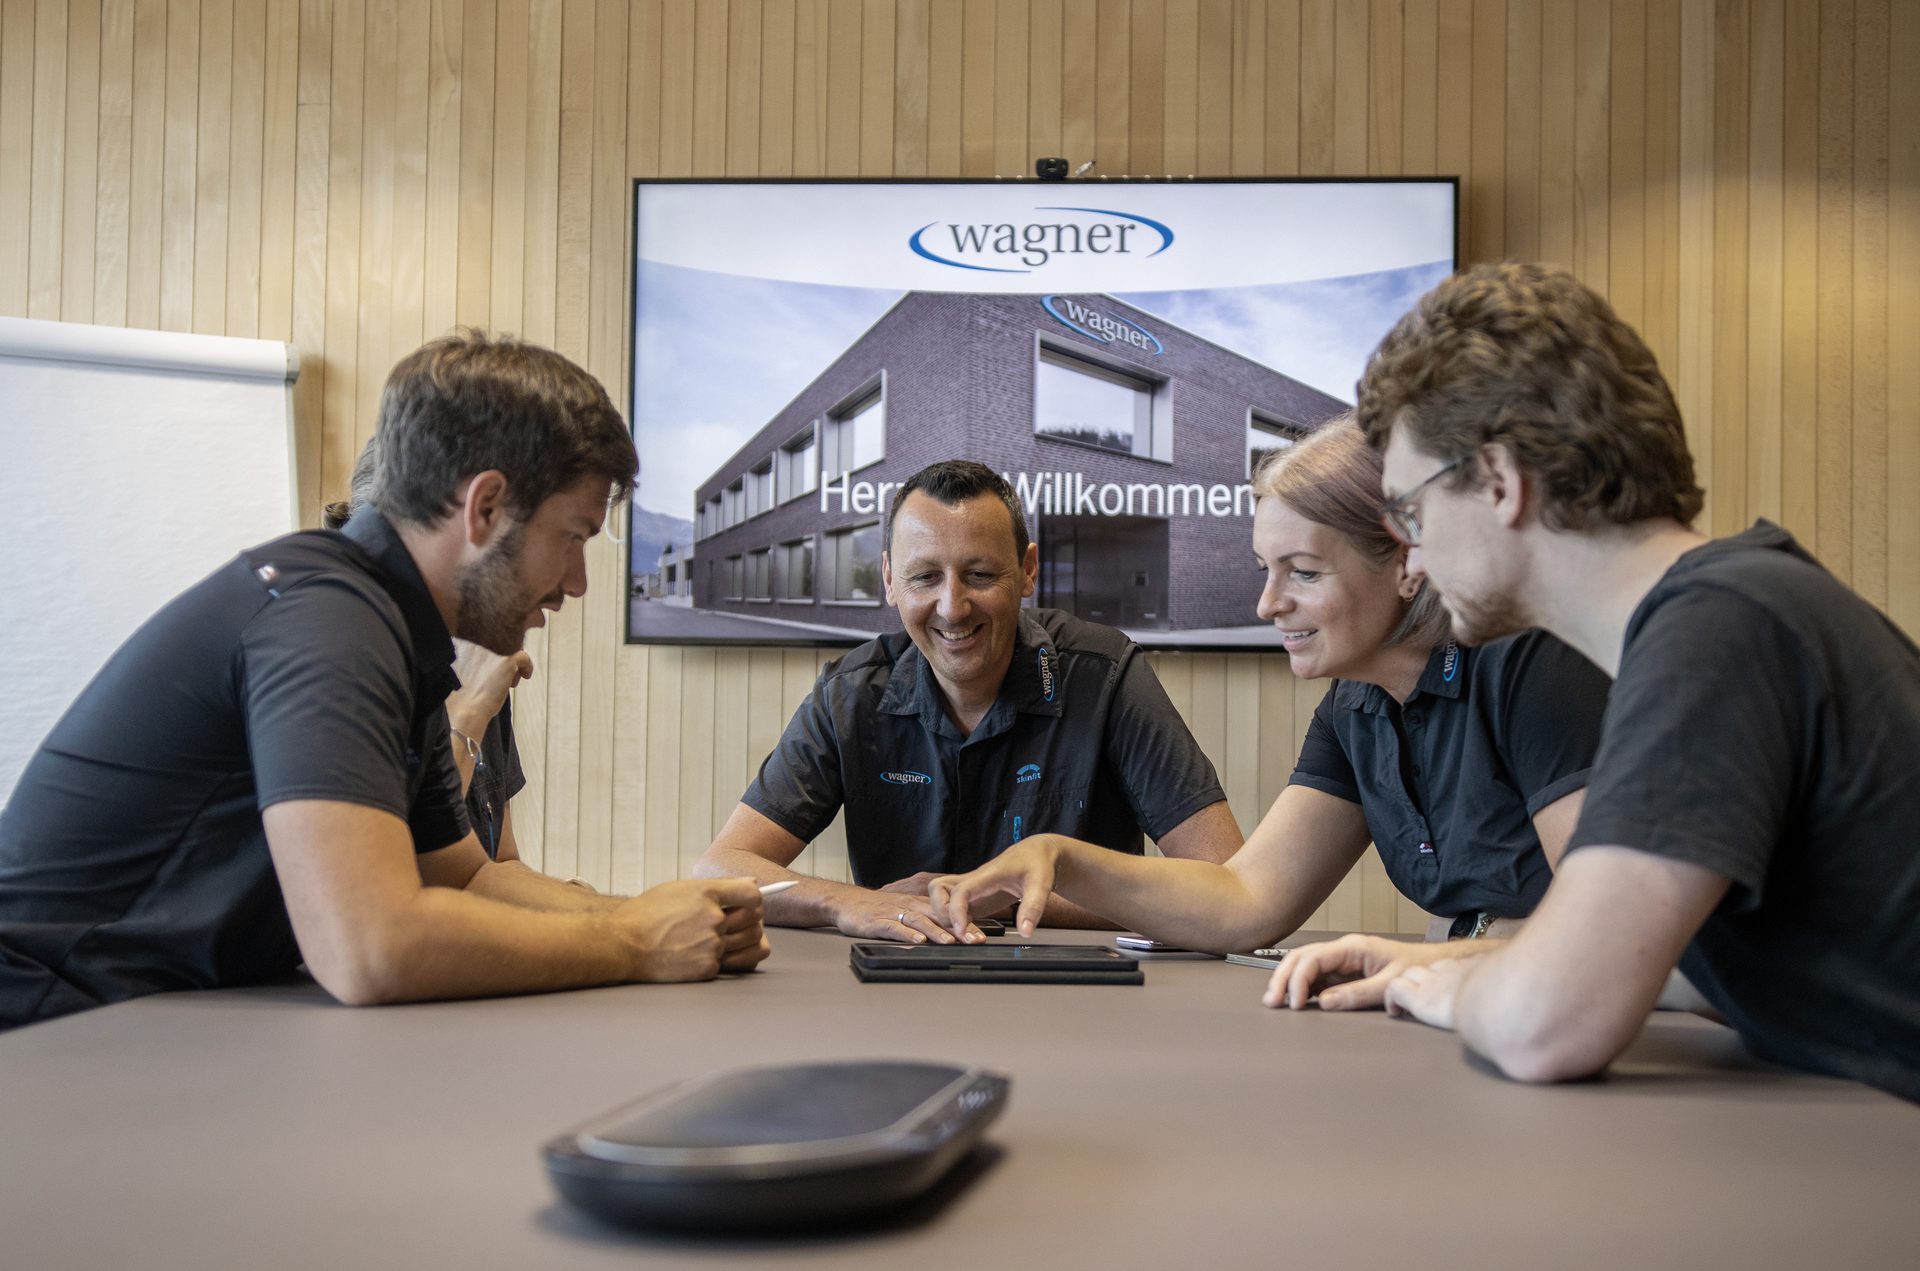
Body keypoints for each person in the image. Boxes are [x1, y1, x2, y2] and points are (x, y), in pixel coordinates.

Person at [0, 331, 768, 1030]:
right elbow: (369, 948)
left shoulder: (389, 630)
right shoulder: (324, 623)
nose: (577, 581)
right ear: (486, 507)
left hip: (139, 1027)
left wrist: (659, 914)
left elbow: (464, 880)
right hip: (47, 1032)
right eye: (572, 537)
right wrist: (633, 941)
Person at [1358, 262, 1920, 1102]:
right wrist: (1453, 957)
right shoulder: (1729, 609)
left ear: (1502, 482)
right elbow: (1705, 970)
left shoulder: (1720, 627)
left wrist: (1449, 991)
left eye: (1410, 510)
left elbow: (1549, 1027)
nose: (1414, 552)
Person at [928, 421, 1613, 1008]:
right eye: (1265, 569)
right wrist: (1056, 857)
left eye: (1304, 573)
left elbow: (1600, 931)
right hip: (1488, 1006)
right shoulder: (1358, 702)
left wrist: (1410, 958)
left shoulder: (1534, 665)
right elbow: (1246, 899)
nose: (1267, 605)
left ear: (1409, 561)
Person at [693, 459, 1244, 943]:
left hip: (1080, 1005)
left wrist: (999, 894)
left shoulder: (1105, 674)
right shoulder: (849, 693)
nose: (952, 607)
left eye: (979, 575)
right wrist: (847, 903)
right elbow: (719, 870)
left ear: (1027, 571)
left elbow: (1225, 881)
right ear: (889, 580)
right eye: (924, 577)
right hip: (898, 997)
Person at [327, 440, 532, 863]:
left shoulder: (471, 655)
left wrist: (601, 914)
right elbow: (382, 870)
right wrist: (471, 710)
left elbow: (500, 861)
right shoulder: (341, 656)